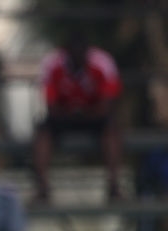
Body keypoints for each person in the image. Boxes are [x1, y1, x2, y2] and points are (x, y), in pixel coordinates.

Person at [32, 33, 123, 203]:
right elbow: (50, 105)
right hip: (63, 116)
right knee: (43, 130)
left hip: (93, 115)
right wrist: (70, 113)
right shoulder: (52, 64)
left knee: (112, 128)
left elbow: (107, 104)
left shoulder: (102, 62)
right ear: (66, 52)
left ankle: (113, 186)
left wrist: (85, 112)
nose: (78, 57)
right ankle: (42, 188)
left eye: (81, 53)